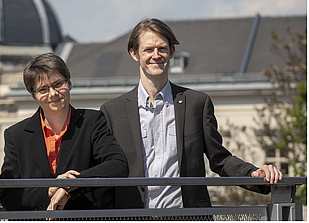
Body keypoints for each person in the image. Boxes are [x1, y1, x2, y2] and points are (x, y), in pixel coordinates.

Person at [100, 18, 283, 209]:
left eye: (162, 48)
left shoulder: (197, 104)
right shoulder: (113, 112)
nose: (156, 55)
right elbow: (104, 172)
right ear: (134, 53)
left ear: (171, 52)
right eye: (148, 49)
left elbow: (219, 159)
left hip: (186, 216)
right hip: (132, 218)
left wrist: (253, 173)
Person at [0, 53, 128, 211]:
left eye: (58, 84)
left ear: (70, 83)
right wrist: (49, 190)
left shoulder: (92, 121)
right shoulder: (16, 135)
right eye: (43, 89)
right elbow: (7, 194)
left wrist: (70, 186)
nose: (52, 93)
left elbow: (118, 165)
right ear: (33, 95)